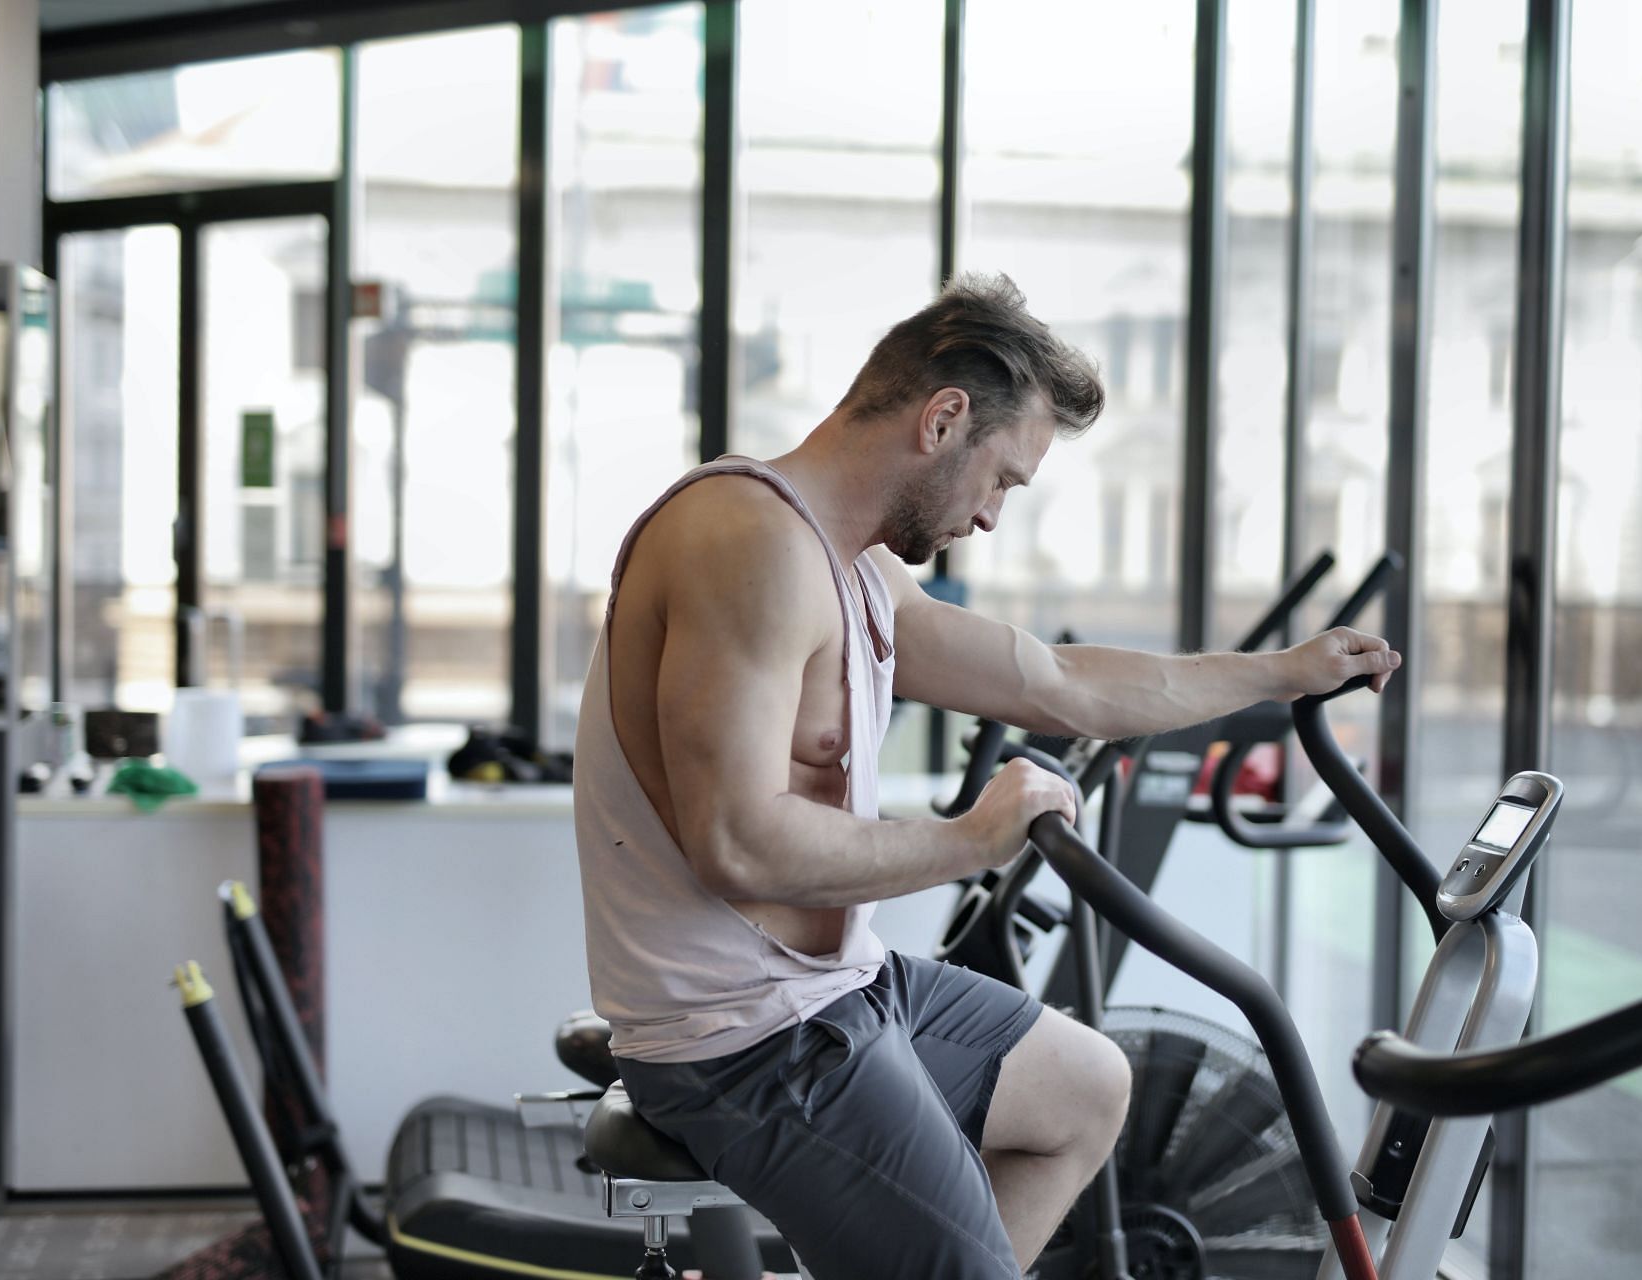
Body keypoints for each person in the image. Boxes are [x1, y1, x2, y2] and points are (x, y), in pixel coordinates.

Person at [573, 274, 1400, 1279]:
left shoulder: (855, 568)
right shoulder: (746, 542)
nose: (995, 514)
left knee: (1086, 1084)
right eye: (1003, 477)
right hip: (744, 1043)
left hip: (838, 993)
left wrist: (1278, 674)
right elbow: (736, 839)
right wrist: (972, 835)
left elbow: (1058, 683)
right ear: (945, 418)